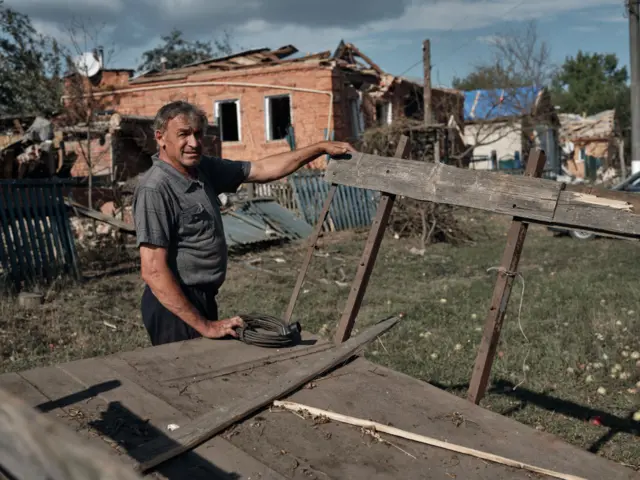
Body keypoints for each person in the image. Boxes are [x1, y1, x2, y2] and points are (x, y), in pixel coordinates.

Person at [133, 101, 356, 346]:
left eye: (198, 134)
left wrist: (319, 148)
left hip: (202, 299)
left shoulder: (201, 169)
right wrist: (205, 325)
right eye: (184, 134)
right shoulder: (155, 188)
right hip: (174, 307)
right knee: (184, 379)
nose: (194, 143)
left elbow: (261, 169)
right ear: (161, 138)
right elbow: (153, 270)